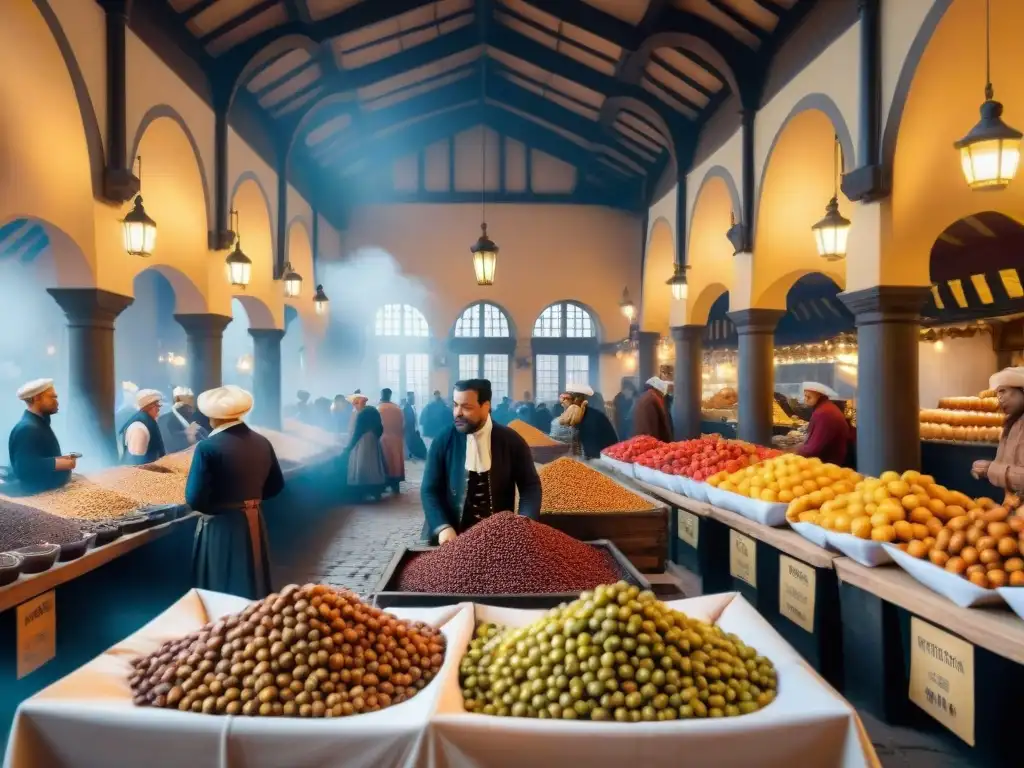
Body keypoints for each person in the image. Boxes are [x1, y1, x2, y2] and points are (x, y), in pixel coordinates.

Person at [188, 385, 285, 599]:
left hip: (221, 525)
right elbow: (276, 485)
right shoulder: (262, 441)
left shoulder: (207, 447)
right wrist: (250, 502)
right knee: (253, 576)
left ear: (213, 418)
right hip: (254, 519)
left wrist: (218, 507)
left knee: (221, 582)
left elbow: (195, 498)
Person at [421, 379, 541, 544]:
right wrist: (442, 527)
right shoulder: (442, 441)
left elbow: (530, 487)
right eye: (455, 405)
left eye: (466, 407)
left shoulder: (512, 441)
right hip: (451, 537)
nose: (458, 413)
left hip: (499, 538)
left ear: (486, 407)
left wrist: (524, 522)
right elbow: (429, 490)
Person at [7, 379, 75, 493]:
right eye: (52, 397)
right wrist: (59, 463)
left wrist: (61, 460)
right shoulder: (28, 429)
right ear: (36, 398)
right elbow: (23, 468)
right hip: (38, 495)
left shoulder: (39, 423)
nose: (57, 402)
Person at [972, 367, 1024, 502]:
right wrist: (988, 469)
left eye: (1003, 391)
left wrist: (990, 469)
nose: (999, 398)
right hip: (1014, 508)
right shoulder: (1012, 423)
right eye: (997, 393)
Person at [342, 393, 387, 501]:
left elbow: (357, 432)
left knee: (361, 466)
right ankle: (376, 491)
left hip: (361, 443)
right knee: (374, 466)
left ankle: (361, 492)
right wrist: (375, 437)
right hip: (373, 441)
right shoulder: (373, 411)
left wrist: (349, 447)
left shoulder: (361, 414)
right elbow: (381, 428)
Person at [796, 382, 851, 466]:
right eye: (805, 396)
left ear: (819, 396)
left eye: (809, 397)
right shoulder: (827, 408)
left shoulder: (823, 413)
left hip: (828, 465)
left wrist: (794, 452)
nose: (805, 400)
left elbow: (813, 449)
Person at [120, 388, 167, 465]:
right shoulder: (139, 427)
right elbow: (135, 462)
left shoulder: (147, 423)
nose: (159, 409)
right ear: (149, 406)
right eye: (156, 405)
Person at [159, 386, 206, 454]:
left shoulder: (195, 417)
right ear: (178, 400)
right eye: (189, 399)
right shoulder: (165, 420)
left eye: (192, 399)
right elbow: (169, 444)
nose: (192, 403)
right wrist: (188, 434)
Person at [378, 388, 405, 493]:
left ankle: (384, 484)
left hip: (382, 439)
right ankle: (395, 485)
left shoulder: (378, 408)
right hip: (396, 439)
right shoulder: (397, 409)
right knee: (395, 463)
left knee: (384, 462)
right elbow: (403, 425)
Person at [632, 377, 673, 442]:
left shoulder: (642, 398)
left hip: (639, 438)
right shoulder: (653, 398)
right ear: (659, 390)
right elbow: (663, 423)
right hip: (650, 439)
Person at [403, 392, 427, 460]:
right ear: (408, 398)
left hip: (412, 431)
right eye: (412, 398)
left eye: (413, 398)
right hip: (410, 432)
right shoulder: (406, 408)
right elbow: (407, 422)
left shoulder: (410, 407)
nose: (413, 400)